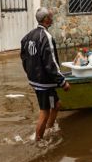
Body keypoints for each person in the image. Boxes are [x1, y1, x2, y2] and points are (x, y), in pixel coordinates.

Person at [20, 7, 70, 141]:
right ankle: (38, 141)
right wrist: (62, 81)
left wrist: (30, 73)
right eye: (50, 16)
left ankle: (49, 129)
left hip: (36, 80)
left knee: (56, 105)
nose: (52, 18)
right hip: (44, 82)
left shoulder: (29, 36)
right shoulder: (46, 37)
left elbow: (24, 57)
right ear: (46, 19)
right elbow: (51, 63)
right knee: (45, 111)